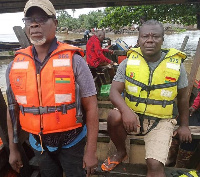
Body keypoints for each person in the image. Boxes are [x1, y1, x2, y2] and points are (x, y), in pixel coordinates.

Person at [6, 0, 99, 177]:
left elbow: (92, 106)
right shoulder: (14, 66)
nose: (34, 24)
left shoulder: (75, 61)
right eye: (29, 20)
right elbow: (12, 111)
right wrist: (13, 148)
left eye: (41, 18)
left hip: (73, 141)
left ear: (55, 23)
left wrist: (91, 151)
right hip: (39, 144)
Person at [101, 19, 192, 177]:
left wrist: (184, 125)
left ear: (162, 40)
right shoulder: (128, 63)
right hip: (133, 117)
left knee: (155, 166)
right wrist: (126, 111)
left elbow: (183, 98)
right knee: (114, 115)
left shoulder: (177, 66)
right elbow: (114, 92)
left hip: (161, 121)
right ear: (139, 40)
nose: (150, 40)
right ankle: (121, 152)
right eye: (145, 36)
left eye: (155, 36)